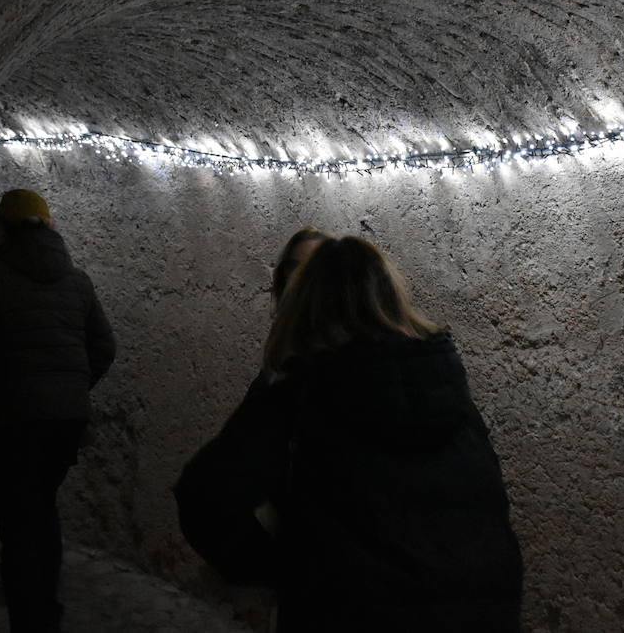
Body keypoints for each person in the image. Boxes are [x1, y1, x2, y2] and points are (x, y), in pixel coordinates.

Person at [181, 235, 523, 632]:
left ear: (303, 304)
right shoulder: (447, 389)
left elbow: (204, 499)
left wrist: (282, 567)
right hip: (479, 609)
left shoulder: (303, 394)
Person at [0, 189, 115, 633]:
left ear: (2, 228)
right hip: (65, 422)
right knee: (42, 506)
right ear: (50, 228)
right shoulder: (77, 281)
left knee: (18, 520)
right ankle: (47, 610)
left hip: (11, 419)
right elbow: (104, 346)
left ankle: (32, 617)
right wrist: (72, 388)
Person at [174, 227, 332, 585]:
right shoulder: (280, 371)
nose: (300, 282)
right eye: (293, 269)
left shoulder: (327, 373)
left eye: (314, 270)